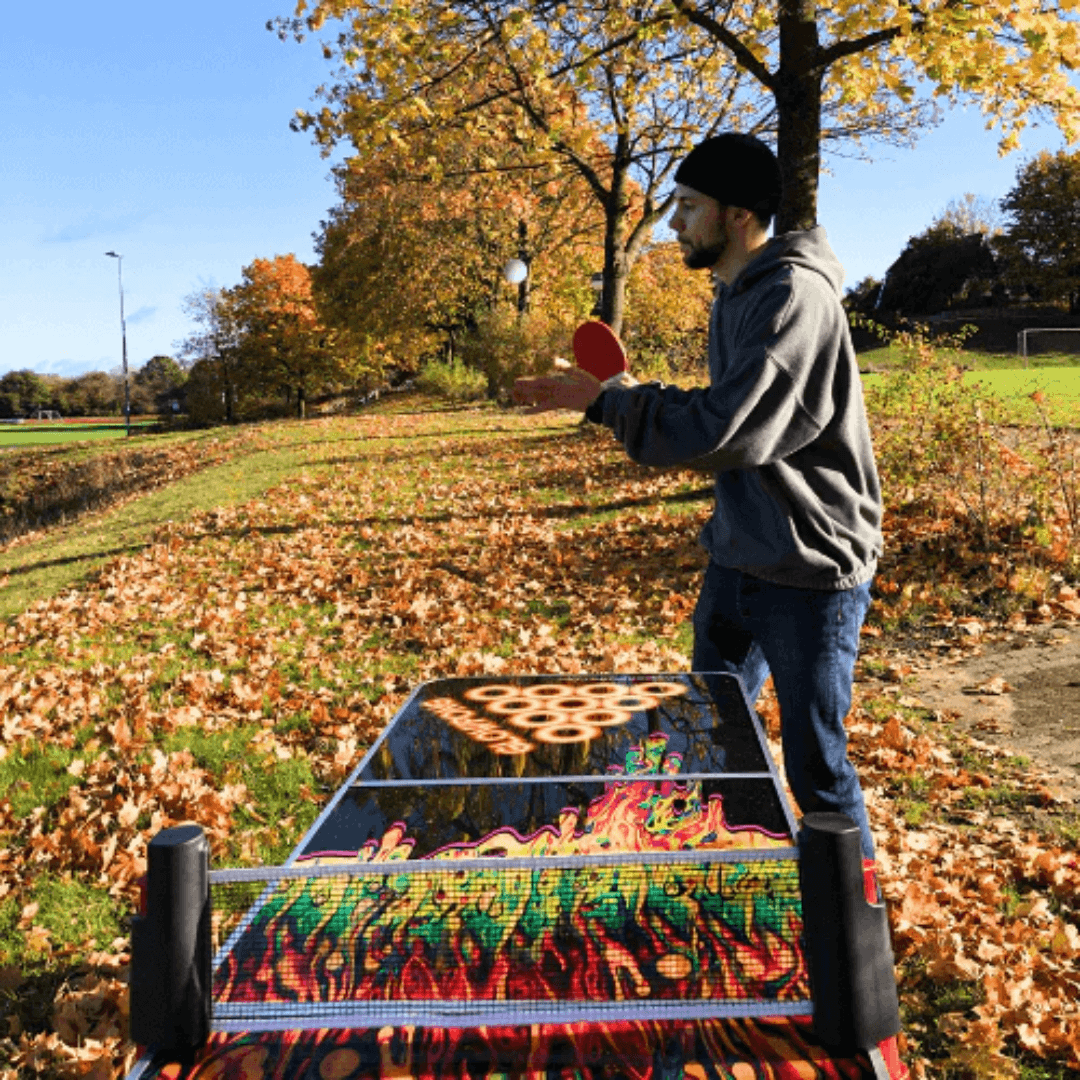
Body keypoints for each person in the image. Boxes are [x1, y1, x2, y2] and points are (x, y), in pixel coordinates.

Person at [513, 132, 883, 866]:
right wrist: (616, 397)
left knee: (819, 773)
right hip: (739, 558)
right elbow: (724, 414)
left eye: (688, 206)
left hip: (810, 571)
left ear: (738, 215)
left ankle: (855, 942)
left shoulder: (791, 300)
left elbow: (728, 428)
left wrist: (612, 404)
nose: (673, 223)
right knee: (716, 744)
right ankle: (750, 879)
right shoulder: (736, 294)